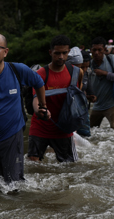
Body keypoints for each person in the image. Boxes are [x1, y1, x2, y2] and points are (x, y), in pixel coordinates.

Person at [0, 33, 49, 188]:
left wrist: (42, 106)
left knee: (13, 185)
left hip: (13, 135)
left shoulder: (17, 70)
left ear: (5, 51)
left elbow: (39, 82)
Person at [28, 35, 83, 163]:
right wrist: (38, 111)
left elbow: (77, 98)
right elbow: (36, 98)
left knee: (70, 167)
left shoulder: (76, 73)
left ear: (68, 52)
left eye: (64, 53)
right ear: (50, 52)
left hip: (63, 128)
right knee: (33, 162)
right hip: (40, 125)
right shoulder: (40, 74)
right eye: (57, 53)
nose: (61, 57)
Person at [86, 36, 114, 130]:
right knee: (89, 131)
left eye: (99, 50)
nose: (96, 53)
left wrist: (104, 73)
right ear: (91, 51)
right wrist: (88, 96)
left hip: (113, 103)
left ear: (104, 49)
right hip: (97, 105)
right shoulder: (89, 65)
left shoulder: (113, 59)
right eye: (94, 50)